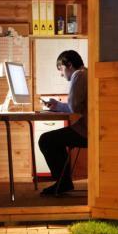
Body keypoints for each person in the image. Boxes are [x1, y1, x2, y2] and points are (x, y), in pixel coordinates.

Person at [38, 50, 87, 195]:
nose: (60, 74)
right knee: (55, 139)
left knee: (46, 140)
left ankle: (63, 183)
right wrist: (57, 105)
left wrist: (62, 103)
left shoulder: (78, 75)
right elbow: (76, 107)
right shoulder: (86, 73)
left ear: (69, 65)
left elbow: (74, 107)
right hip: (90, 127)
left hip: (87, 131)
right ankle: (63, 182)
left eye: (61, 69)